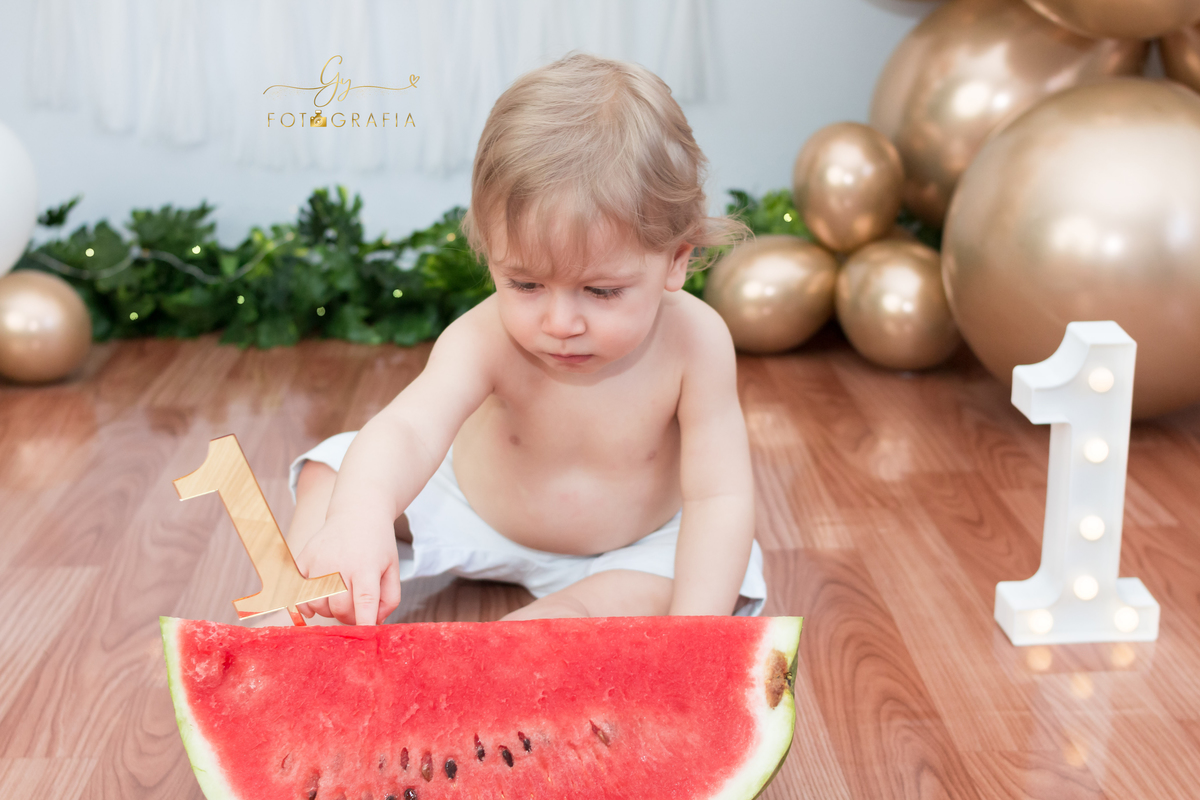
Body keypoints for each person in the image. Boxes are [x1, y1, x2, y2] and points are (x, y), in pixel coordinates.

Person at [286, 51, 766, 626]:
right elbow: (409, 430)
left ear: (675, 262)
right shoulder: (485, 335)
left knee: (685, 582)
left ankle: (543, 626)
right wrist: (360, 517)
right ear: (490, 252)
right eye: (526, 283)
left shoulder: (697, 341)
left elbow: (720, 498)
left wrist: (696, 636)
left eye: (602, 291)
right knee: (337, 476)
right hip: (470, 507)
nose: (560, 323)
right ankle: (309, 605)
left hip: (631, 547)